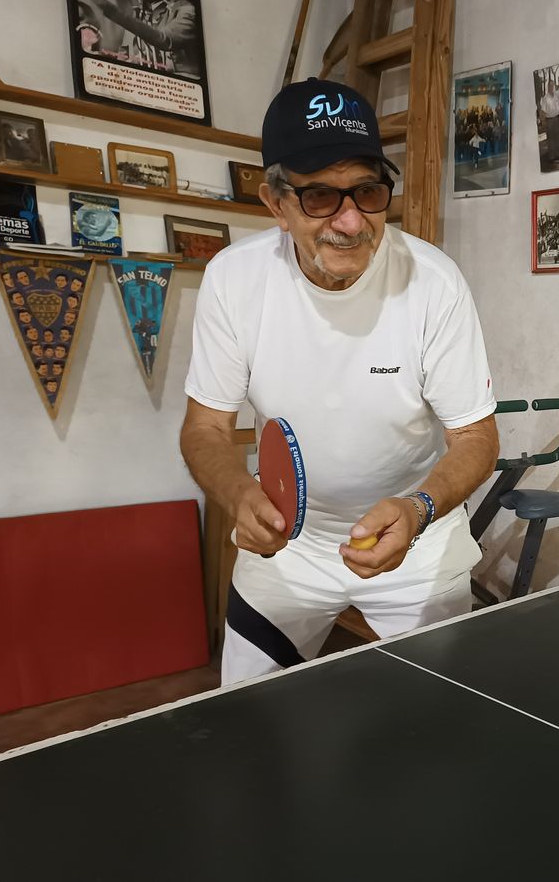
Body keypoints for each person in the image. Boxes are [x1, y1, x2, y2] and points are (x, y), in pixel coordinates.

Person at [180, 78, 499, 685]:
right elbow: (205, 428)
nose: (351, 222)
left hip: (416, 535)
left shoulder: (434, 282)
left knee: (451, 718)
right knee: (246, 714)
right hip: (288, 542)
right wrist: (239, 495)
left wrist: (419, 509)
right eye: (320, 196)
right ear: (275, 204)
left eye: (368, 191)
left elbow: (476, 438)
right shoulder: (234, 280)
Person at [77, 0, 202, 78]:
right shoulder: (164, 13)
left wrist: (105, 6)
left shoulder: (189, 12)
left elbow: (164, 40)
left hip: (184, 80)